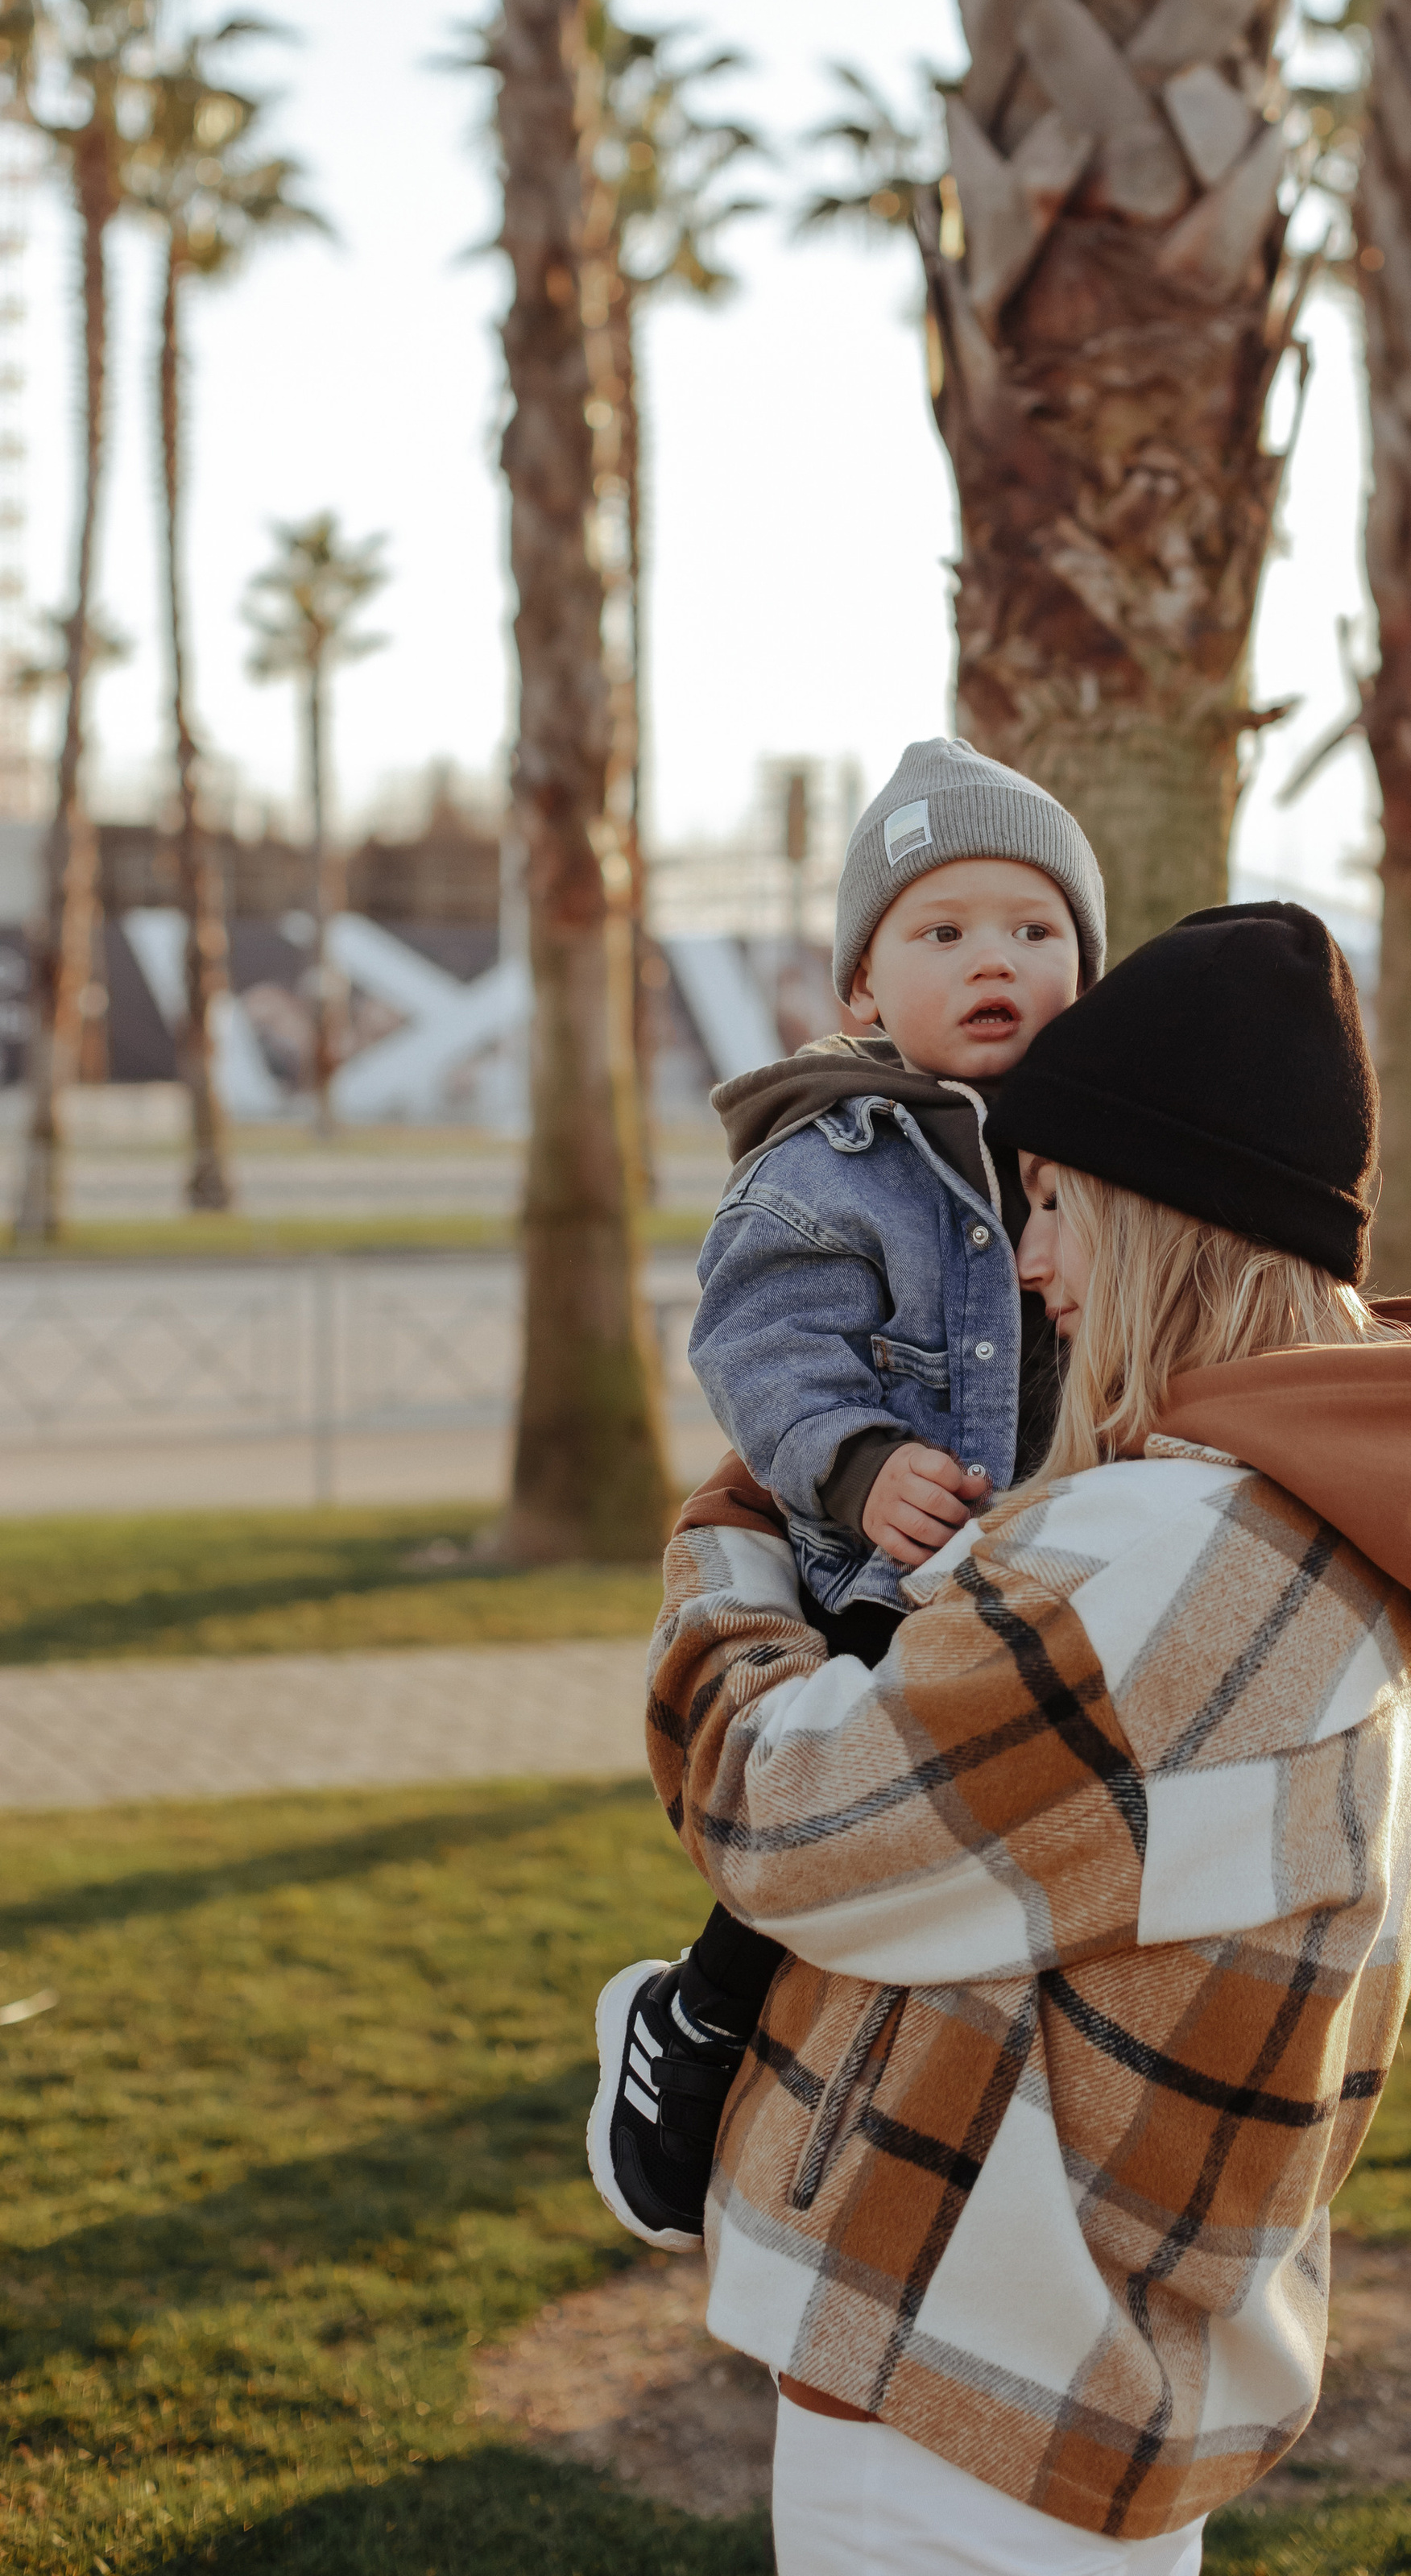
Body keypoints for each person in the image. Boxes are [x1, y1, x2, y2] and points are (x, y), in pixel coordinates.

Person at [642, 900, 1411, 2570]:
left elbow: (775, 1814)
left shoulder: (1154, 1570)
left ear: (1157, 1219)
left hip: (955, 2398)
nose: (1031, 1260)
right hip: (1125, 2365)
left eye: (1054, 1199)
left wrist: (734, 1521)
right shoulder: (1373, 1541)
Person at [587, 739, 1106, 2251]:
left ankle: (960, 2113)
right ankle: (697, 2017)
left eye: (1034, 929)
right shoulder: (835, 1158)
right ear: (865, 992)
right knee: (842, 1814)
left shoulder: (1103, 1154)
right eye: (943, 934)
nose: (994, 960)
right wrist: (862, 1466)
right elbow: (761, 1346)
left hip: (1058, 1566)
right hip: (886, 1572)